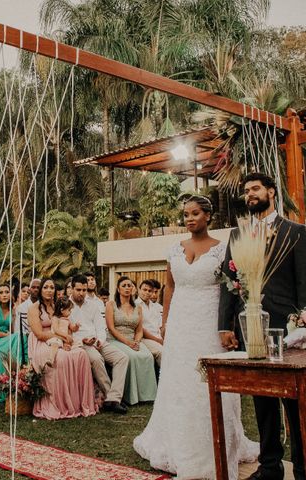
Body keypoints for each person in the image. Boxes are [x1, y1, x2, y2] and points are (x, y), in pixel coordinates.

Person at [134, 195, 258, 479]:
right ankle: (174, 441)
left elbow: (231, 290)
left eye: (195, 214)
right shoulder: (174, 249)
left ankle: (214, 445)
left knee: (207, 383)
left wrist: (227, 327)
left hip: (208, 324)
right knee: (178, 382)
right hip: (179, 324)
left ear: (208, 216)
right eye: (186, 214)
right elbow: (169, 287)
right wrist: (165, 322)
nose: (189, 219)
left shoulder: (223, 249)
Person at [219, 173, 306, 480]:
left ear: (271, 192)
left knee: (294, 402)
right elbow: (228, 283)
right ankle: (270, 466)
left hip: (287, 329)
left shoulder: (295, 232)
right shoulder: (237, 235)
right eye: (246, 190)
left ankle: (302, 468)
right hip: (250, 328)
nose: (250, 194)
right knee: (261, 399)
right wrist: (225, 326)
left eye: (256, 188)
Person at [28, 278, 97, 419]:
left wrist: (68, 337)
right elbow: (39, 334)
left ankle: (78, 403)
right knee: (60, 357)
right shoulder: (34, 308)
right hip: (43, 342)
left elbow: (68, 324)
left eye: (51, 287)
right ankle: (60, 404)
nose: (49, 290)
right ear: (40, 290)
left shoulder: (58, 305)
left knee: (81, 354)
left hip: (62, 339)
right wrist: (62, 337)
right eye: (45, 287)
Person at [69, 274, 129, 414]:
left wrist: (100, 340)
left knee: (122, 358)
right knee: (96, 359)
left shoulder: (94, 305)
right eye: (78, 290)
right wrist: (83, 340)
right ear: (72, 289)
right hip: (80, 343)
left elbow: (100, 326)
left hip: (98, 341)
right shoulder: (66, 305)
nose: (82, 293)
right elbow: (67, 330)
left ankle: (114, 398)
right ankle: (111, 398)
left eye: (84, 290)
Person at [106, 276, 157, 405]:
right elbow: (111, 328)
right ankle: (131, 396)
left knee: (147, 356)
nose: (127, 288)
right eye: (124, 286)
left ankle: (147, 395)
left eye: (130, 286)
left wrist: (137, 341)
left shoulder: (138, 307)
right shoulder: (111, 305)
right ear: (118, 289)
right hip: (116, 339)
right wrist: (127, 343)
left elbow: (139, 330)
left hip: (133, 339)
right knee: (132, 357)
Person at [136, 279, 163, 367]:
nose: (147, 293)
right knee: (162, 352)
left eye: (150, 291)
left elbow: (160, 325)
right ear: (139, 290)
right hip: (144, 338)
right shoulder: (135, 305)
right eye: (145, 290)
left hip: (158, 337)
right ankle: (166, 378)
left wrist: (164, 339)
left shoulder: (155, 306)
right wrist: (158, 340)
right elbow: (141, 329)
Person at [46, 296, 79, 366]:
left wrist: (76, 326)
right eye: (69, 310)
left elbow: (73, 328)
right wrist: (65, 335)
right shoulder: (55, 318)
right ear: (62, 310)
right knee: (55, 344)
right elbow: (55, 329)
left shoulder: (67, 320)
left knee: (72, 342)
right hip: (56, 336)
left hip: (63, 339)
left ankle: (65, 346)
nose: (70, 312)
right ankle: (50, 358)